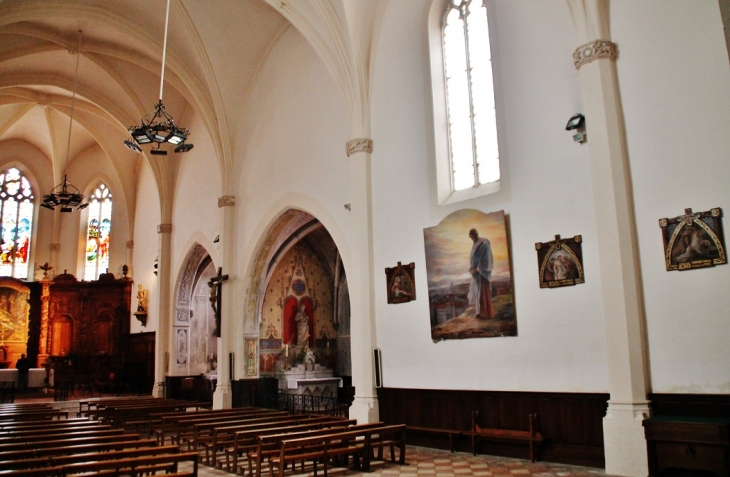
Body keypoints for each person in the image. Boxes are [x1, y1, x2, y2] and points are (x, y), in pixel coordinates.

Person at [468, 228, 494, 319]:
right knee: (478, 292)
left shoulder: (484, 243)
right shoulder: (475, 244)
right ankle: (480, 313)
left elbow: (486, 259)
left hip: (483, 273)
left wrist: (478, 269)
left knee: (483, 293)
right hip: (477, 274)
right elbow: (473, 258)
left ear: (474, 235)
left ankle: (486, 314)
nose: (471, 239)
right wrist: (471, 268)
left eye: (471, 237)